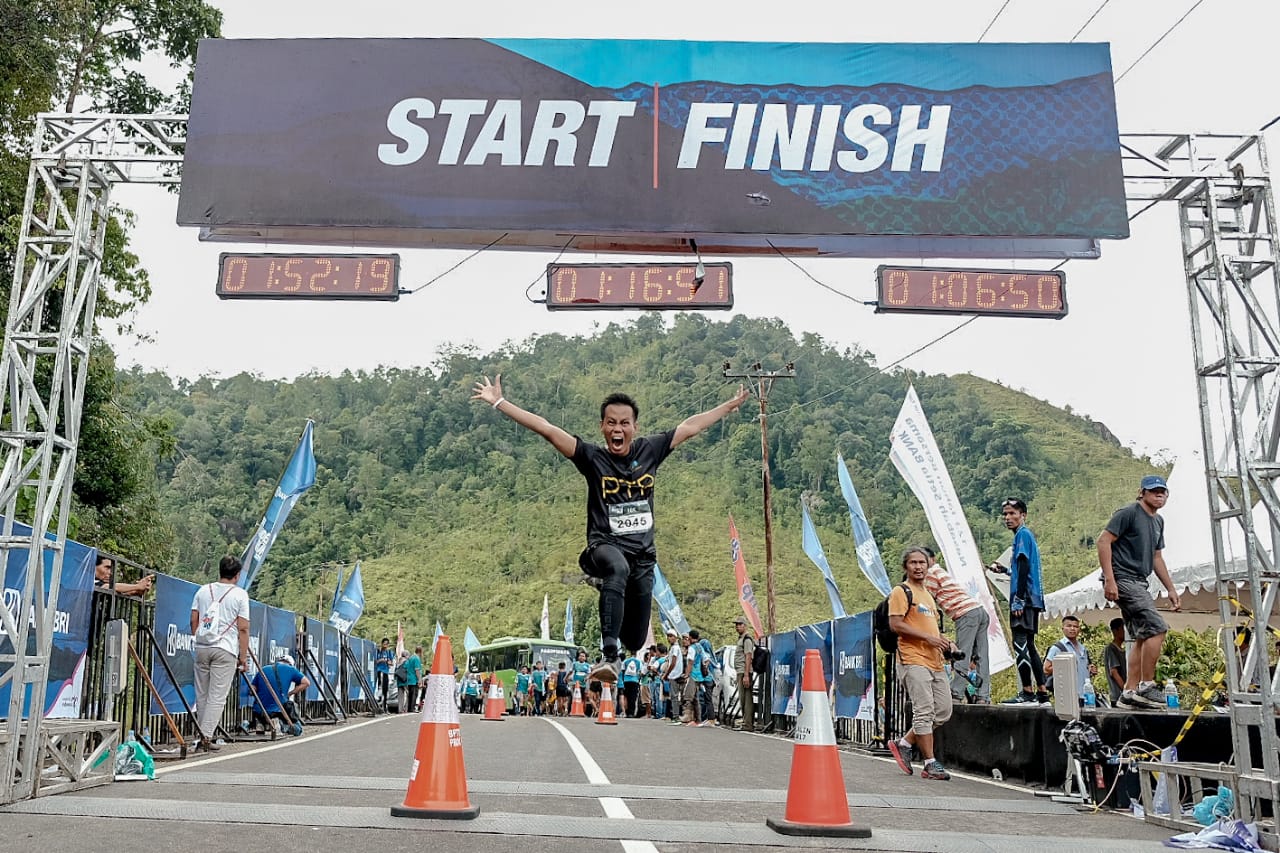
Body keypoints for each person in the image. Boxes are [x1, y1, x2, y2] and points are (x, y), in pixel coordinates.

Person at [473, 374, 748, 683]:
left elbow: (690, 426)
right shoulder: (592, 457)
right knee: (615, 569)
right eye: (611, 423)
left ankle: (610, 601)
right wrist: (500, 402)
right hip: (604, 547)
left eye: (624, 423)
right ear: (603, 427)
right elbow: (548, 430)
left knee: (634, 637)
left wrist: (727, 406)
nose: (618, 429)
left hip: (643, 557)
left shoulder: (650, 450)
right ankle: (608, 655)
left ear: (634, 427)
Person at [1098, 475, 1181, 709]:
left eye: (1162, 491)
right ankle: (1146, 685)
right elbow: (1103, 541)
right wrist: (1110, 580)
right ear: (1142, 492)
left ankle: (1130, 692)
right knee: (1158, 628)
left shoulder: (1158, 521)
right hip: (1124, 578)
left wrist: (1171, 588)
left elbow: (1157, 557)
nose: (1159, 495)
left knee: (1143, 635)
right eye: (1154, 491)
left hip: (1139, 580)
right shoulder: (1130, 512)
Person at [886, 547, 957, 781]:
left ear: (929, 566)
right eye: (913, 563)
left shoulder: (928, 595)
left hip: (935, 661)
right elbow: (896, 624)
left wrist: (946, 644)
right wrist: (927, 638)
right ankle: (929, 763)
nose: (918, 567)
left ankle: (904, 742)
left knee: (944, 711)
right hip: (912, 658)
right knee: (924, 711)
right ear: (905, 566)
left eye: (922, 563)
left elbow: (933, 630)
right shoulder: (901, 591)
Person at [990, 498, 1049, 705]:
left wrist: (1018, 600)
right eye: (1005, 514)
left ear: (1023, 515)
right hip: (1033, 599)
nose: (1008, 518)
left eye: (1012, 513)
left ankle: (1027, 691)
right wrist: (1005, 571)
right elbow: (1020, 569)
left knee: (1020, 644)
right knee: (1030, 645)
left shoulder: (1022, 535)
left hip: (1024, 599)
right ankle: (1042, 692)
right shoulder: (1024, 536)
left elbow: (1024, 567)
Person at [189, 555, 250, 751]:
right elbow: (243, 628)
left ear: (220, 570)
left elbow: (193, 620)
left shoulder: (203, 590)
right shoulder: (240, 595)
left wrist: (200, 638)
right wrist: (243, 657)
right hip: (225, 649)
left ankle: (202, 735)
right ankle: (205, 737)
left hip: (201, 647)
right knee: (217, 696)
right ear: (237, 575)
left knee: (202, 694)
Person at [919, 547, 990, 703]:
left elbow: (926, 600)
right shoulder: (940, 572)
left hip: (965, 613)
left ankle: (956, 693)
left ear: (932, 560)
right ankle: (983, 696)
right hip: (979, 610)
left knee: (961, 654)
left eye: (924, 560)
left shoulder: (931, 574)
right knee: (981, 656)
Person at [250, 653, 310, 734]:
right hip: (277, 711)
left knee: (263, 711)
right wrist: (290, 693)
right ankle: (280, 725)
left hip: (259, 710)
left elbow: (252, 689)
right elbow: (306, 683)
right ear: (290, 664)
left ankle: (261, 724)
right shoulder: (290, 669)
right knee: (297, 729)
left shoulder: (263, 669)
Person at [1044, 615, 1098, 700]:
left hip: (1086, 695)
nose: (1072, 629)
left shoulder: (1083, 648)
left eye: (1075, 626)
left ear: (1079, 629)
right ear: (1063, 628)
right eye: (1069, 626)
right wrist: (1065, 666)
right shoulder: (1057, 648)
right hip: (1068, 695)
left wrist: (1091, 670)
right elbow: (1046, 669)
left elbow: (1084, 668)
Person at [733, 616, 758, 732]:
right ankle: (745, 722)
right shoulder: (741, 638)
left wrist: (746, 675)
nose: (738, 627)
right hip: (741, 671)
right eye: (736, 625)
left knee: (747, 699)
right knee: (743, 699)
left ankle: (748, 724)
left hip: (744, 671)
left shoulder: (747, 639)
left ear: (745, 625)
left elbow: (748, 656)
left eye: (740, 624)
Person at [1104, 617, 1128, 705]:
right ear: (1116, 630)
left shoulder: (1124, 650)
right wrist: (1126, 691)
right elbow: (1114, 672)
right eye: (1124, 628)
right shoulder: (1111, 648)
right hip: (1118, 696)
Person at [620, 652, 642, 718]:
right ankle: (631, 713)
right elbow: (640, 671)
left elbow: (623, 670)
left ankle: (626, 712)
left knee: (627, 697)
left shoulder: (626, 661)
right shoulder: (638, 662)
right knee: (633, 697)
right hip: (635, 681)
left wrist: (624, 680)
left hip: (626, 681)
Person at [374, 637, 394, 711]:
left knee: (385, 689)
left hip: (386, 672)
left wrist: (389, 662)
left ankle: (384, 706)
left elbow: (391, 663)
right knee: (379, 688)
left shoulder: (389, 652)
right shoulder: (378, 651)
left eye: (386, 644)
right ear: (382, 644)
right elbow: (375, 661)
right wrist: (381, 660)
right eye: (384, 644)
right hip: (379, 671)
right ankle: (378, 704)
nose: (385, 645)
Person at [404, 646, 424, 713]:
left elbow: (406, 667)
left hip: (409, 678)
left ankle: (409, 708)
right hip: (414, 679)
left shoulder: (411, 657)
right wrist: (419, 680)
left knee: (410, 694)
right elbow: (417, 670)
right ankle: (412, 708)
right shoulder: (416, 658)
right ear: (420, 652)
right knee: (414, 694)